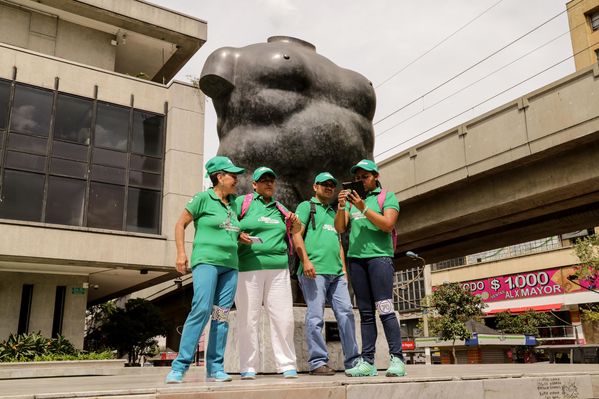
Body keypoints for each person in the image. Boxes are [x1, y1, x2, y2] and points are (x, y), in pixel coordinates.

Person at [165, 156, 249, 384]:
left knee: (221, 316)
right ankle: (179, 367)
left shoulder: (233, 205)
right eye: (233, 175)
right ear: (219, 177)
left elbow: (228, 229)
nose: (236, 179)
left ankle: (215, 367)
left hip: (230, 267)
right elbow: (180, 224)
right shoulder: (203, 198)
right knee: (201, 309)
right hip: (206, 262)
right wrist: (181, 253)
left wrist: (240, 236)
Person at [334, 159, 406, 377]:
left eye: (365, 177)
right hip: (356, 260)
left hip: (379, 259)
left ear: (376, 176)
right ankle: (367, 361)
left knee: (384, 308)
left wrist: (363, 208)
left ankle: (397, 359)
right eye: (357, 178)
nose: (361, 181)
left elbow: (387, 224)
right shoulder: (352, 201)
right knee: (365, 313)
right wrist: (341, 207)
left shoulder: (386, 197)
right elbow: (340, 227)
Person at [235, 166, 302, 379]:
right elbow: (227, 225)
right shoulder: (242, 203)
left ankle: (287, 364)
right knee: (248, 318)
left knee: (283, 318)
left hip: (278, 269)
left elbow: (294, 231)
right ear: (254, 184)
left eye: (271, 180)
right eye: (263, 180)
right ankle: (248, 366)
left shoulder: (280, 208)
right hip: (248, 269)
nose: (268, 183)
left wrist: (296, 225)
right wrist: (238, 235)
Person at [293, 172, 360, 375]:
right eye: (324, 184)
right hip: (315, 272)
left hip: (337, 273)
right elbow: (296, 234)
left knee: (347, 314)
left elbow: (339, 237)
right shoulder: (306, 207)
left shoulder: (333, 211)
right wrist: (305, 261)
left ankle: (353, 362)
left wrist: (344, 271)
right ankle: (317, 362)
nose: (329, 187)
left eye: (332, 184)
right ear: (315, 187)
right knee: (315, 317)